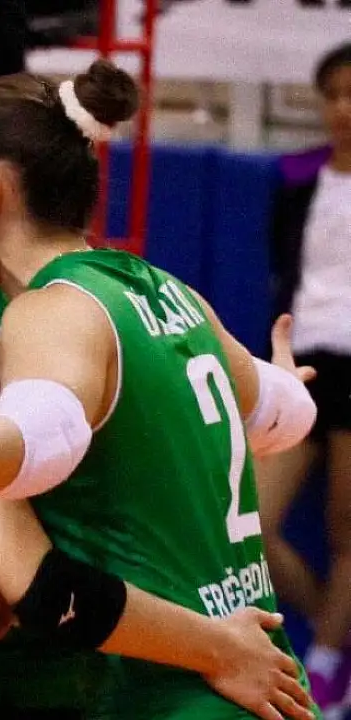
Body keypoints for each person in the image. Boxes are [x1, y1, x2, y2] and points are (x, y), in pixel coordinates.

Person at [0, 59, 320, 719]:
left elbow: (46, 435)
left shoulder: (49, 311)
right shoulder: (168, 292)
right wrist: (288, 388)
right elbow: (282, 413)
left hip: (177, 695)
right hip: (262, 686)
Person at [263, 40, 351, 710]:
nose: (344, 108)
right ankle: (330, 631)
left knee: (346, 527)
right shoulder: (298, 182)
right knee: (254, 522)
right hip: (307, 364)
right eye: (334, 95)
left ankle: (323, 663)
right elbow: (286, 274)